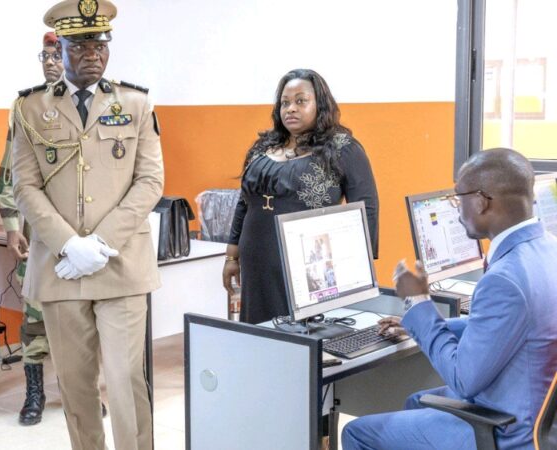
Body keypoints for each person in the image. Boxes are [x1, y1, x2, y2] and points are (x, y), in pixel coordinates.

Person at [10, 1, 164, 448]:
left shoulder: (135, 103)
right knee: (76, 387)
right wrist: (68, 244)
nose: (92, 53)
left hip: (120, 264)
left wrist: (99, 242)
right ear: (60, 49)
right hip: (61, 270)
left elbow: (150, 180)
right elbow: (24, 186)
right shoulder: (30, 108)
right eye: (80, 45)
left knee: (125, 380)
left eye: (99, 43)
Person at [342, 148, 557, 450]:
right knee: (416, 401)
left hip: (509, 430)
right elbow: (507, 327)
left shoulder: (504, 279)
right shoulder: (547, 248)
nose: (457, 210)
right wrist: (421, 325)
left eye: (458, 198)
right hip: (535, 411)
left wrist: (419, 303)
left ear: (481, 201)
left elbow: (463, 379)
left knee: (358, 432)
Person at [222, 68, 379, 325]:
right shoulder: (263, 147)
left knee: (301, 336)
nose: (291, 109)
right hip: (256, 263)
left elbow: (366, 207)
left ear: (320, 105)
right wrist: (232, 257)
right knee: (257, 334)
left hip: (308, 267)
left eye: (300, 101)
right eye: (285, 103)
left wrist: (357, 269)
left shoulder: (342, 148)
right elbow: (244, 202)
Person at [0, 31, 62, 426]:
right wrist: (10, 226)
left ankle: (80, 389)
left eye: (58, 55)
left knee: (81, 320)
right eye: (45, 56)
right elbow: (9, 173)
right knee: (35, 317)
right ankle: (34, 393)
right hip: (38, 235)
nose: (51, 63)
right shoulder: (26, 107)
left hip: (82, 235)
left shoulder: (98, 106)